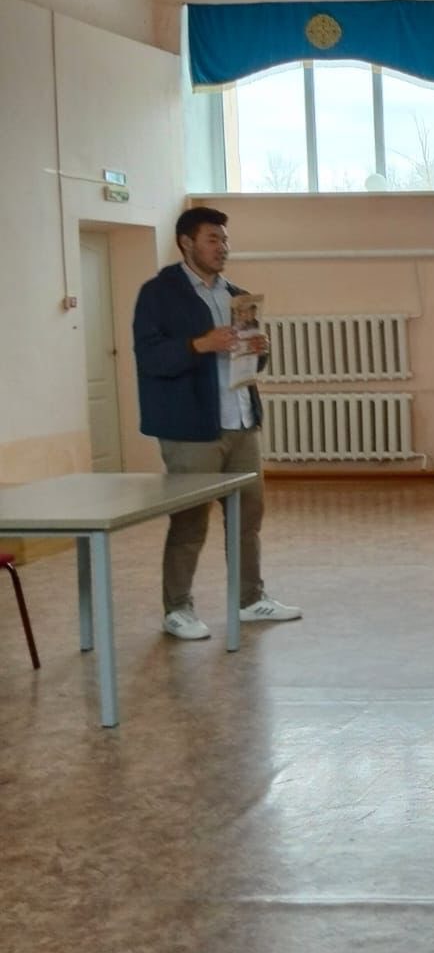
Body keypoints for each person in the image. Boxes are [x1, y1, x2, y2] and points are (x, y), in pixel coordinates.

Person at [131, 205, 301, 641]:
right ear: (186, 242)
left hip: (241, 422)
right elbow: (150, 358)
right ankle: (178, 609)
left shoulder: (237, 296)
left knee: (248, 518)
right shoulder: (158, 294)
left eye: (225, 239)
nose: (223, 247)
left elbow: (249, 362)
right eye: (213, 239)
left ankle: (249, 599)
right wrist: (199, 344)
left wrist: (259, 350)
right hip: (191, 429)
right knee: (190, 521)